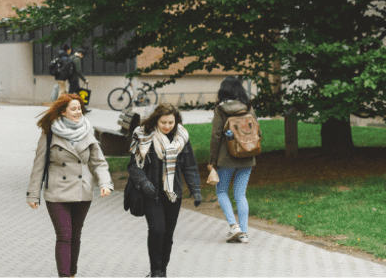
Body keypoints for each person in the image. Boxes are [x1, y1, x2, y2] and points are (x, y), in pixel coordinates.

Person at [27, 93, 113, 277]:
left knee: (75, 237)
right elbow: (39, 165)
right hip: (57, 193)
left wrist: (105, 182)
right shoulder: (49, 133)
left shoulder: (87, 131)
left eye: (79, 108)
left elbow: (99, 162)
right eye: (73, 109)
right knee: (64, 236)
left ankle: (72, 273)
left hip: (82, 192)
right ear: (63, 112)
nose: (77, 112)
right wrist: (33, 193)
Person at [128, 104, 202, 278]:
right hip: (151, 193)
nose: (167, 126)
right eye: (163, 122)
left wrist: (196, 190)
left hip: (173, 193)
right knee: (157, 231)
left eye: (171, 122)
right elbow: (133, 165)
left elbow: (189, 165)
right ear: (155, 120)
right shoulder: (142, 135)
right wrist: (143, 182)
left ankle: (162, 271)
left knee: (168, 234)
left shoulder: (182, 137)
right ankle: (155, 271)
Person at [209, 76, 257, 244]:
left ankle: (233, 226)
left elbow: (215, 136)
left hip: (226, 158)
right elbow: (257, 131)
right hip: (247, 156)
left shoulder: (221, 109)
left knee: (221, 191)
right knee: (241, 195)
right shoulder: (248, 107)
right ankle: (243, 233)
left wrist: (212, 160)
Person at [67, 48, 91, 113]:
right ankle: (66, 108)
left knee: (77, 94)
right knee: (70, 94)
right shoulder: (76, 59)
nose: (81, 57)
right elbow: (78, 71)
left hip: (70, 78)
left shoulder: (71, 57)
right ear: (80, 54)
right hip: (74, 79)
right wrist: (84, 79)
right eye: (82, 56)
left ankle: (83, 108)